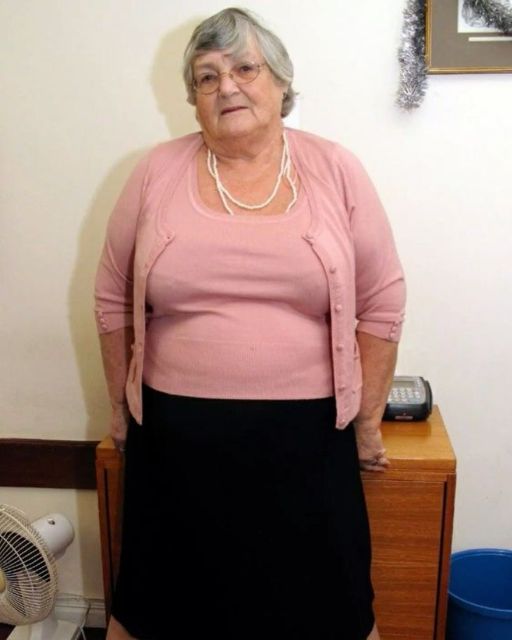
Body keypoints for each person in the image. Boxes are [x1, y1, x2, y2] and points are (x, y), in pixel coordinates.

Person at [94, 7, 405, 640]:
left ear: (282, 82)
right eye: (207, 77)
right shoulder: (155, 171)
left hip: (308, 444)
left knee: (328, 613)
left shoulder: (335, 167)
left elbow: (382, 300)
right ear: (192, 99)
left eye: (244, 69)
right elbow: (111, 296)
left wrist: (368, 423)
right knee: (167, 614)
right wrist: (120, 409)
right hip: (176, 446)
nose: (227, 87)